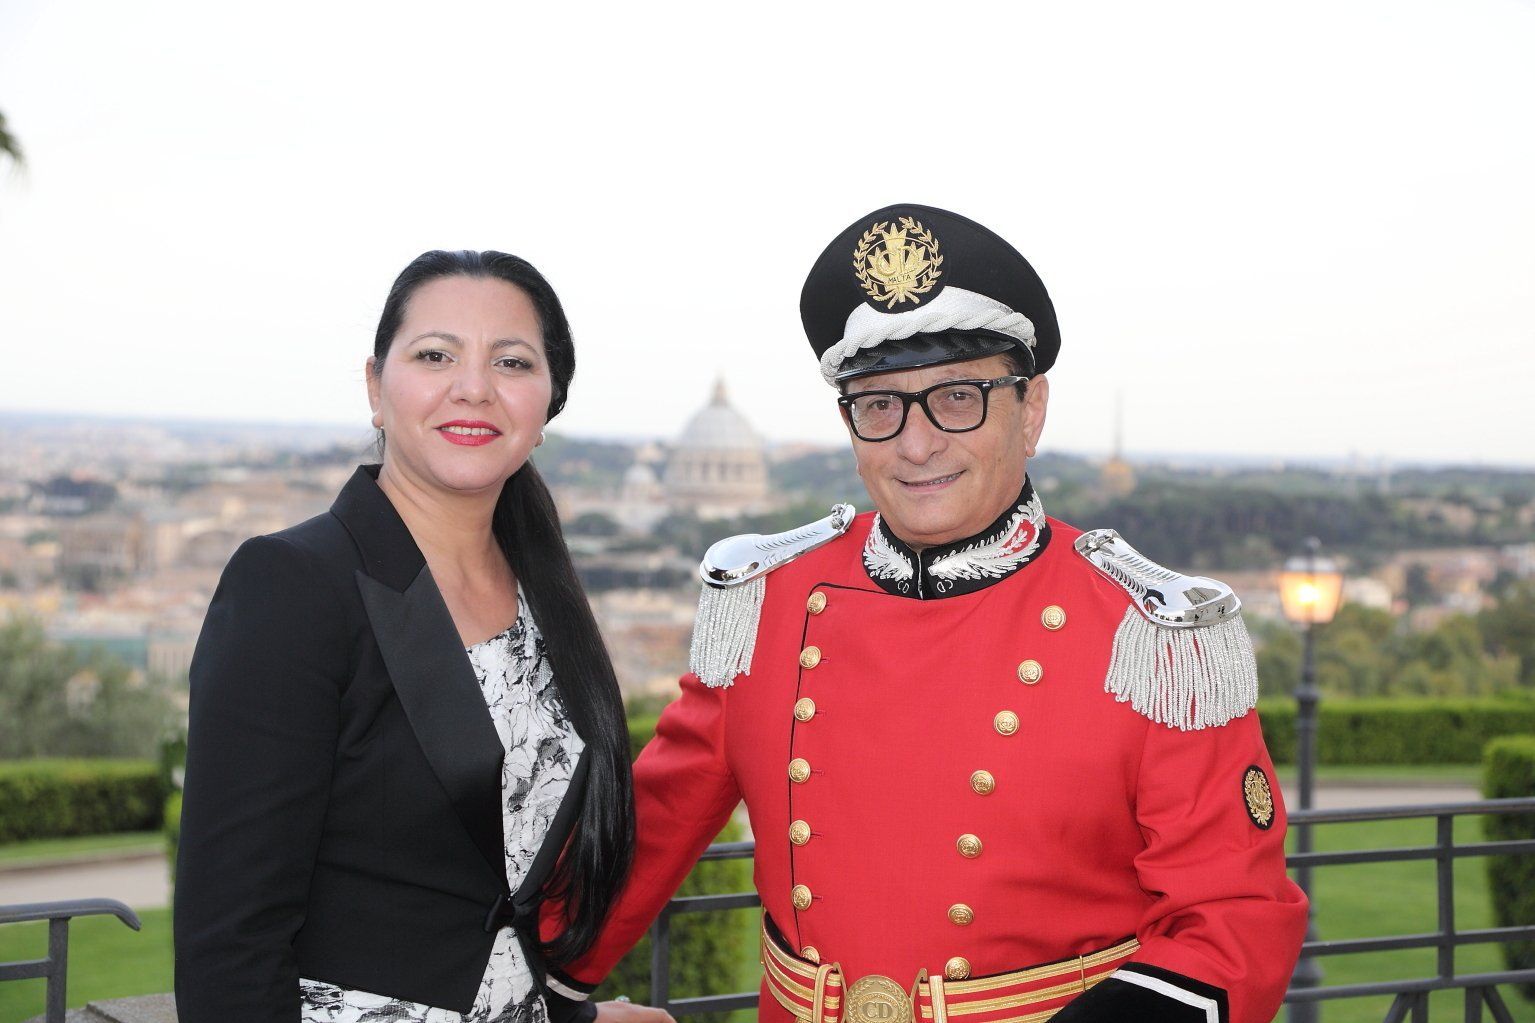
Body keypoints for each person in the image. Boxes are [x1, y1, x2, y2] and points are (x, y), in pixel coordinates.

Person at [542, 206, 1308, 1023]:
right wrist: (523, 996)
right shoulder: (768, 602)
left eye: (956, 397)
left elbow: (1232, 919)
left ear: (1030, 410)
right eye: (879, 405)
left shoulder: (1149, 638)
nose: (915, 444)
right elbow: (646, 832)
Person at [174, 250, 636, 1023]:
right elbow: (229, 940)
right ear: (374, 388)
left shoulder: (540, 586)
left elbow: (493, 882)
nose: (474, 387)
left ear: (548, 403)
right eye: (435, 355)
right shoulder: (292, 584)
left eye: (511, 361)